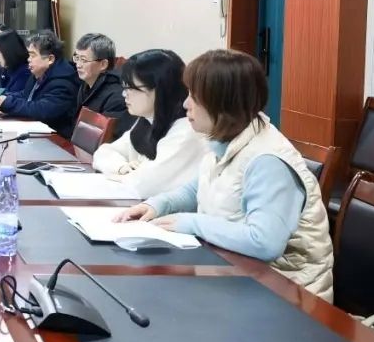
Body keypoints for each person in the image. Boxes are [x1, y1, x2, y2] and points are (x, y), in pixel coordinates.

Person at [117, 49, 334, 301]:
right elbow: (197, 189)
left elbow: (264, 242)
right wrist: (157, 205)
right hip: (239, 274)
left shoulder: (268, 161)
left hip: (288, 294)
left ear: (222, 104)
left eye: (194, 97)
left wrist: (191, 222)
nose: (185, 104)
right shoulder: (225, 140)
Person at [92, 49, 206, 198]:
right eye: (125, 87)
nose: (124, 94)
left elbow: (145, 185)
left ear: (161, 90)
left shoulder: (186, 131)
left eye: (131, 88)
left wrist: (128, 175)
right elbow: (104, 152)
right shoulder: (147, 120)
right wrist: (121, 168)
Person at [0, 30, 80, 138]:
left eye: (33, 56)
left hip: (56, 140)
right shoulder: (39, 73)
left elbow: (42, 109)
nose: (28, 59)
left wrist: (10, 103)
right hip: (38, 134)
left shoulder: (63, 82)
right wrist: (7, 97)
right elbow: (27, 94)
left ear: (50, 59)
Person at [73, 33, 132, 138]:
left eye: (84, 60)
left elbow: (105, 137)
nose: (78, 65)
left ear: (103, 64)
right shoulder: (86, 83)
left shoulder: (117, 96)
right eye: (76, 58)